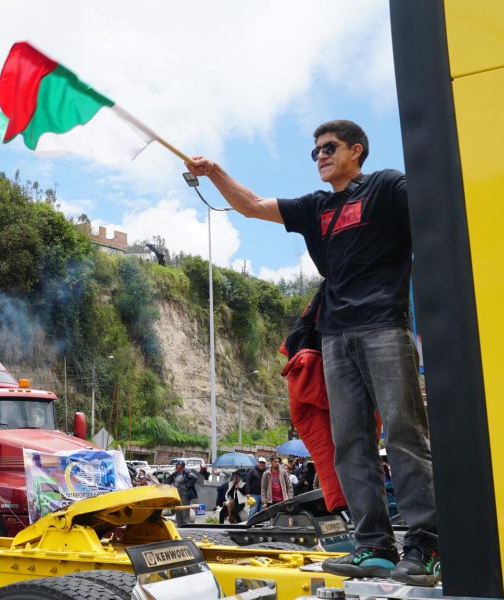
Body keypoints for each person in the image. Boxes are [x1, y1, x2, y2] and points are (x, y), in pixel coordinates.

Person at [185, 120, 439, 585]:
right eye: (315, 151)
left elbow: (433, 220)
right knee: (351, 443)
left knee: (403, 434)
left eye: (329, 148)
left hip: (385, 325)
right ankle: (375, 545)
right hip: (335, 337)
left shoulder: (386, 186)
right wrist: (215, 170)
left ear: (356, 151)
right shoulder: (317, 206)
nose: (320, 155)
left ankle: (426, 545)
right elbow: (252, 205)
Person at [170, 460, 198, 526]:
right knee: (178, 509)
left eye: (178, 465)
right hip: (177, 494)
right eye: (176, 465)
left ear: (181, 466)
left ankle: (186, 524)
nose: (176, 466)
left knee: (185, 509)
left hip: (185, 494)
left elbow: (194, 477)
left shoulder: (186, 472)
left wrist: (188, 485)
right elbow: (170, 480)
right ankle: (179, 524)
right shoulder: (176, 473)